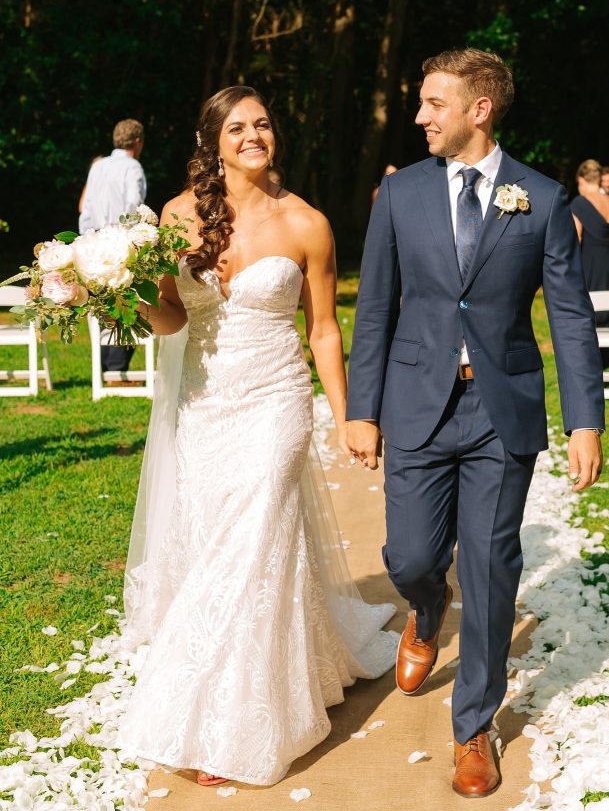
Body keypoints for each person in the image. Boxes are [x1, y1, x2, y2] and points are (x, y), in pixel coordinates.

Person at [118, 86, 397, 787]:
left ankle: (222, 721)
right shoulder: (177, 217)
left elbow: (324, 331)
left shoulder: (307, 223)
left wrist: (347, 414)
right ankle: (294, 668)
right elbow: (173, 319)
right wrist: (118, 295)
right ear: (212, 140)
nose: (253, 135)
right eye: (237, 126)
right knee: (224, 547)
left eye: (263, 123)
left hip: (276, 405)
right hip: (204, 406)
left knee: (248, 549)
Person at [346, 48, 604, 798]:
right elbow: (374, 312)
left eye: (433, 103)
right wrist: (362, 409)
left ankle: (472, 727)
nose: (420, 116)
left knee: (490, 570)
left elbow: (570, 319)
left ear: (478, 110)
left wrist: (584, 420)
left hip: (502, 413)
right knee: (410, 555)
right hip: (415, 404)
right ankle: (425, 611)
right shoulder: (400, 196)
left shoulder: (544, 198)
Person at [79, 119, 147, 372]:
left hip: (94, 243)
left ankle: (104, 366)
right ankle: (116, 367)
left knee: (100, 303)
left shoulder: (98, 167)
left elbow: (86, 209)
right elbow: (134, 205)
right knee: (126, 301)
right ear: (137, 142)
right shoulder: (133, 167)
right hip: (121, 242)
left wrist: (84, 240)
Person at [571, 159, 609, 368]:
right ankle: (604, 365)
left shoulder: (579, 204)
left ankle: (591, 367)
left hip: (588, 267)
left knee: (590, 317)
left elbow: (575, 240)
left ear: (581, 180)